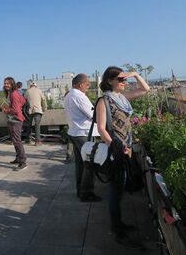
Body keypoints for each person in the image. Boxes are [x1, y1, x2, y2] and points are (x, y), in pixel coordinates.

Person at [96, 66, 149, 247]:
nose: (124, 82)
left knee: (120, 190)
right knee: (116, 191)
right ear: (110, 81)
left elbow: (145, 89)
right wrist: (115, 147)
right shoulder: (104, 101)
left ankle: (119, 224)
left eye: (124, 79)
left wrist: (134, 74)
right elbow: (101, 128)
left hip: (127, 148)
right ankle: (118, 230)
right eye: (120, 79)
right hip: (117, 152)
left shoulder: (122, 98)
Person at [63, 73, 101, 202]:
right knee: (90, 164)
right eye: (87, 84)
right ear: (80, 84)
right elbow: (93, 115)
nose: (87, 87)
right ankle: (86, 192)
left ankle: (80, 190)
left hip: (75, 133)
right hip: (84, 133)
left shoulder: (69, 95)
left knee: (80, 164)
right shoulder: (79, 96)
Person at [2, 77, 27, 171]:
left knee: (17, 141)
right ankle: (18, 159)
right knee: (15, 140)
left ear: (12, 84)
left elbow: (15, 110)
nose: (6, 85)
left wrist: (6, 111)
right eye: (5, 83)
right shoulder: (14, 93)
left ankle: (22, 162)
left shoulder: (13, 94)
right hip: (14, 119)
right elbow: (23, 101)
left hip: (16, 119)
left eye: (8, 83)